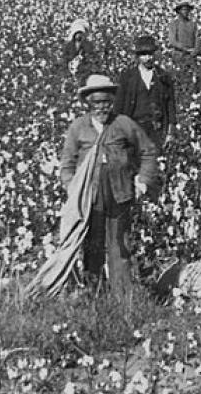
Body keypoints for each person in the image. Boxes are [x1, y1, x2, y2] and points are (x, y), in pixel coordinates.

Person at [59, 75, 160, 296]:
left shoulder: (123, 123)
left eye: (106, 102)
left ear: (112, 102)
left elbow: (148, 151)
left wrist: (142, 180)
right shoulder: (79, 127)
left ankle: (122, 298)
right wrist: (72, 188)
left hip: (119, 192)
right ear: (89, 104)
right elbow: (67, 162)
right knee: (93, 245)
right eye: (97, 102)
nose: (102, 107)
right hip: (90, 194)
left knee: (119, 245)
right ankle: (94, 293)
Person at [114, 35, 177, 148]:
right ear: (138, 56)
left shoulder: (163, 77)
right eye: (144, 55)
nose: (148, 58)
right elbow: (119, 105)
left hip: (157, 130)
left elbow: (170, 105)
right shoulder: (127, 77)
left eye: (150, 54)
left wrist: (170, 133)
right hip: (133, 130)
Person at [165, 1, 200, 68]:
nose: (186, 11)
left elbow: (197, 38)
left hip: (191, 55)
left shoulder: (193, 24)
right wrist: (184, 48)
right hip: (179, 54)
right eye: (184, 9)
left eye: (187, 10)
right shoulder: (174, 23)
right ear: (179, 11)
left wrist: (195, 50)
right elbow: (172, 41)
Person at [62, 18, 97, 85]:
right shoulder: (69, 46)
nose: (79, 35)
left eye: (80, 33)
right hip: (72, 74)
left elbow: (92, 59)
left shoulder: (88, 45)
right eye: (77, 33)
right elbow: (65, 60)